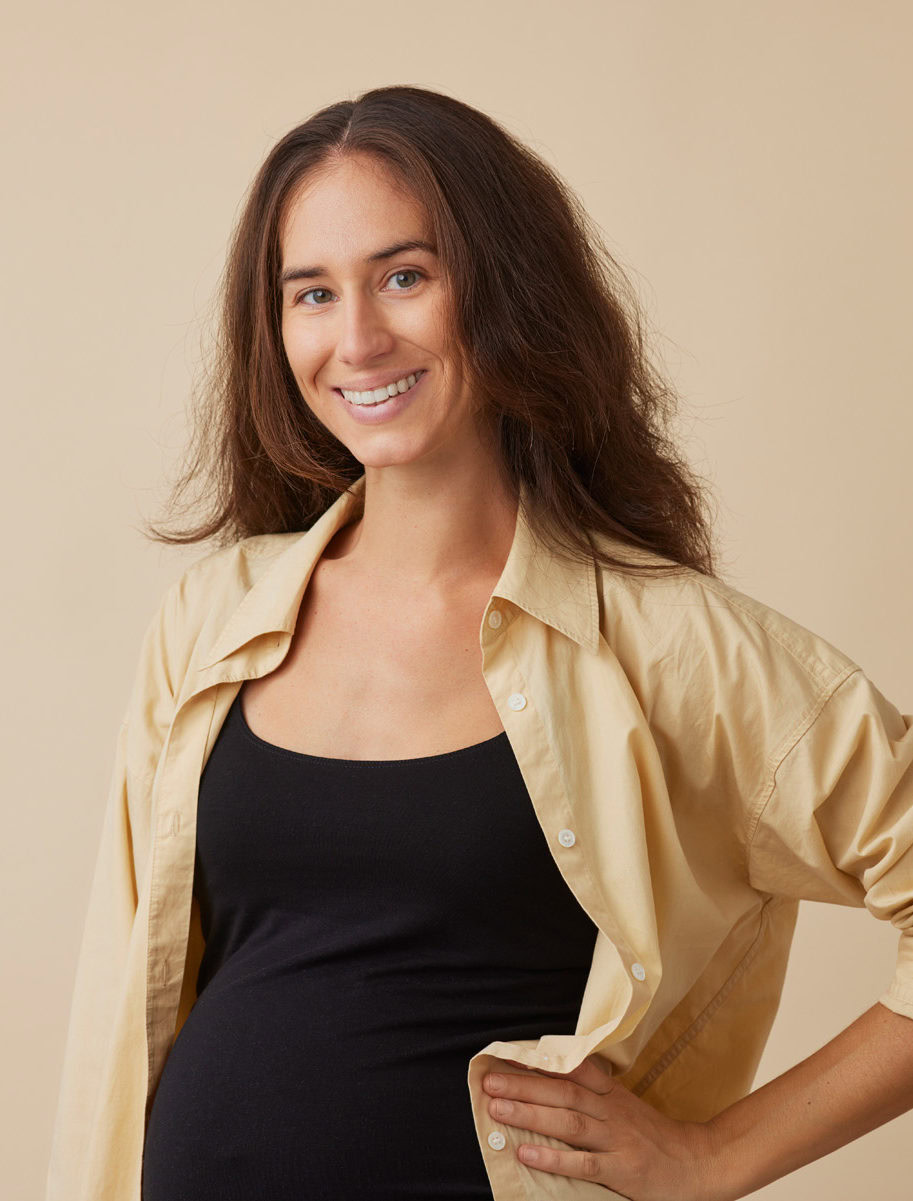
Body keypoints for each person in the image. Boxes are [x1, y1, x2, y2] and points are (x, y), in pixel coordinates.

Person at [47, 85, 913, 1201]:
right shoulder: (211, 617)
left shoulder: (661, 643)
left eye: (405, 276)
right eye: (313, 293)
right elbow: (120, 1013)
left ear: (503, 286)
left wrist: (716, 1156)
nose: (357, 339)